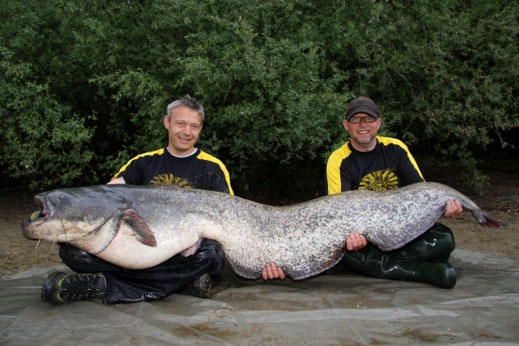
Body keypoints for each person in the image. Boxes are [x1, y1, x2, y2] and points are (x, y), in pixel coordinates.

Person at [41, 95, 234, 304]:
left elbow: (229, 220)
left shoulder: (213, 168)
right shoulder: (142, 163)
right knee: (72, 250)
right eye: (180, 123)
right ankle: (181, 282)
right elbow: (106, 198)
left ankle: (103, 285)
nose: (187, 132)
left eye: (194, 126)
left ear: (200, 128)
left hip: (183, 253)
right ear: (167, 122)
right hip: (138, 247)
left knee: (211, 255)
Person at [263, 96, 462, 289]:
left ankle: (382, 265)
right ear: (346, 125)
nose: (362, 125)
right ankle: (423, 272)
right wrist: (352, 237)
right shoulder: (338, 160)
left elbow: (421, 195)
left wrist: (441, 208)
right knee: (345, 253)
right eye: (355, 120)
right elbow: (337, 215)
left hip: (400, 231)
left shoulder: (396, 148)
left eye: (368, 119)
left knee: (444, 240)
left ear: (378, 123)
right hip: (362, 239)